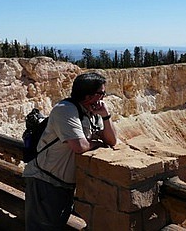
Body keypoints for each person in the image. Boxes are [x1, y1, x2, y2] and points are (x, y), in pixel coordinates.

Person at [23, 72, 117, 230]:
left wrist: (106, 116)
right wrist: (95, 144)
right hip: (45, 181)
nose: (103, 97)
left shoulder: (91, 113)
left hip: (63, 183)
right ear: (88, 96)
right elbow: (79, 146)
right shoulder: (65, 110)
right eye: (102, 93)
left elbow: (111, 140)